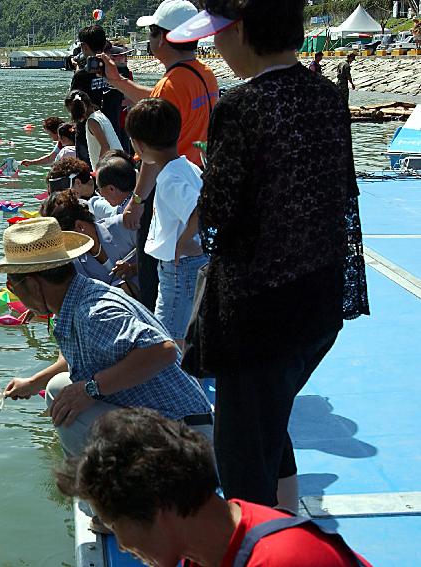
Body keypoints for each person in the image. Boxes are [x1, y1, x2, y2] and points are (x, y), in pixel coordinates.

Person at [167, 0, 369, 510]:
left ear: (241, 32)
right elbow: (342, 196)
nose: (214, 44)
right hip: (318, 299)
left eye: (218, 33)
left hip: (255, 312)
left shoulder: (240, 107)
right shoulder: (327, 96)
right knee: (272, 423)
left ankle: (258, 545)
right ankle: (287, 523)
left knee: (240, 455)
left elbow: (217, 214)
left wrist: (185, 234)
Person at [0, 218, 213, 461]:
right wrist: (33, 382)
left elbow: (163, 350)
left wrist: (90, 389)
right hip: (176, 424)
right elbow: (83, 357)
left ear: (32, 284)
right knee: (58, 388)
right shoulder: (81, 294)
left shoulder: (93, 313)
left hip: (188, 440)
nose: (14, 293)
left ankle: (107, 492)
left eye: (12, 286)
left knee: (69, 418)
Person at [55, 408, 375, 567]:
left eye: (115, 524)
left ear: (160, 508)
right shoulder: (209, 545)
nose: (122, 545)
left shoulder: (282, 558)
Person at [98, 0, 218, 313]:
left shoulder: (172, 83)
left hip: (168, 187)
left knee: (156, 275)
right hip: (196, 176)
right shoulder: (203, 75)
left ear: (162, 38)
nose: (150, 43)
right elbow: (158, 101)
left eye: (151, 35)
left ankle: (160, 341)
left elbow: (153, 153)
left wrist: (136, 204)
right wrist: (120, 82)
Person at [127, 98, 208, 350]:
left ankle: (176, 378)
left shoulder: (169, 178)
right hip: (191, 261)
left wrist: (183, 242)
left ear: (139, 145)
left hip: (179, 266)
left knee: (169, 333)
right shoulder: (187, 166)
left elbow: (199, 207)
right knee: (187, 324)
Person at [39, 190, 136, 290]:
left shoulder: (124, 225)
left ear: (80, 226)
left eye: (65, 239)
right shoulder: (72, 262)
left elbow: (152, 256)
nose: (64, 245)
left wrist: (133, 269)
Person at [76, 25, 129, 150]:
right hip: (114, 130)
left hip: (88, 137)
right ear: (105, 43)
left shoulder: (82, 75)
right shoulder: (120, 71)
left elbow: (75, 105)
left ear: (84, 46)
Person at [65, 90, 123, 171]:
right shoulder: (100, 115)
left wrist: (98, 169)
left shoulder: (92, 122)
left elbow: (105, 146)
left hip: (111, 169)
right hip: (120, 162)